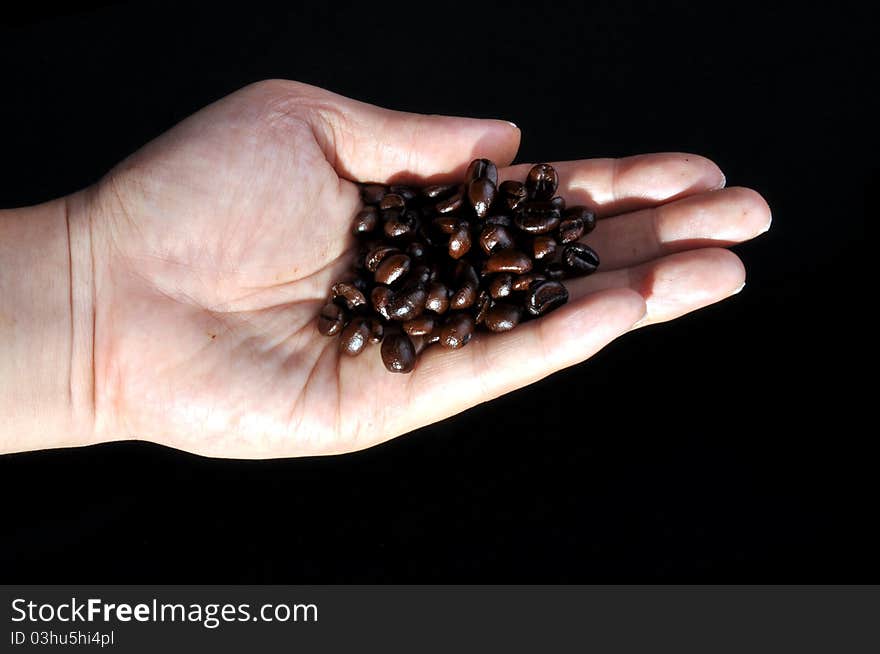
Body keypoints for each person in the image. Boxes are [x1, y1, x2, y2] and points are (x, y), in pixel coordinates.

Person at [0, 79, 770, 459]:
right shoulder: (406, 258)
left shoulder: (446, 258)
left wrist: (89, 297)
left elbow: (472, 258)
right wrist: (89, 288)